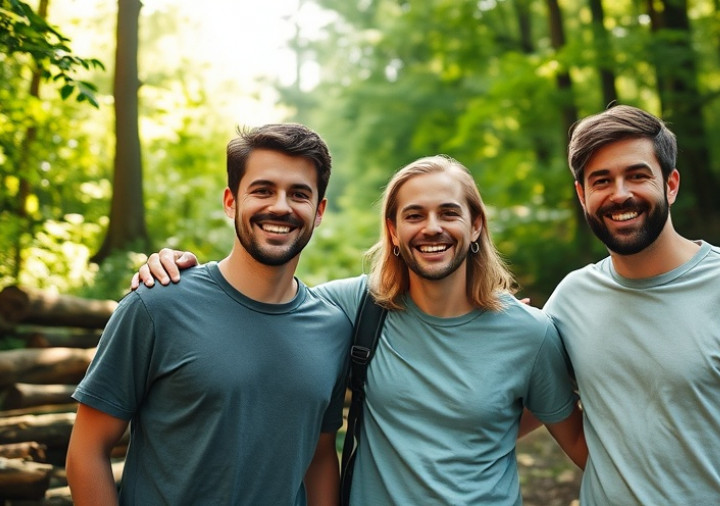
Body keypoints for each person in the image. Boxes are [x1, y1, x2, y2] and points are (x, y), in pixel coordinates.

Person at [134, 155, 586, 505]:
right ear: (392, 230)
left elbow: (576, 439)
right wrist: (182, 269)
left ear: (475, 226)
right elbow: (263, 301)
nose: (432, 228)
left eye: (449, 213)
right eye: (413, 215)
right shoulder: (353, 307)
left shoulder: (529, 333)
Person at [543, 104, 720, 504]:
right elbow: (517, 402)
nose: (620, 193)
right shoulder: (569, 300)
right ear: (582, 194)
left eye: (637, 175)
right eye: (601, 180)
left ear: (671, 184)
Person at [66, 123, 352, 506]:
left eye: (298, 194)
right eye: (263, 190)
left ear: (318, 212)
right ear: (231, 201)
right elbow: (87, 451)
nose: (280, 206)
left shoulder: (332, 328)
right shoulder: (157, 305)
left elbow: (318, 458)